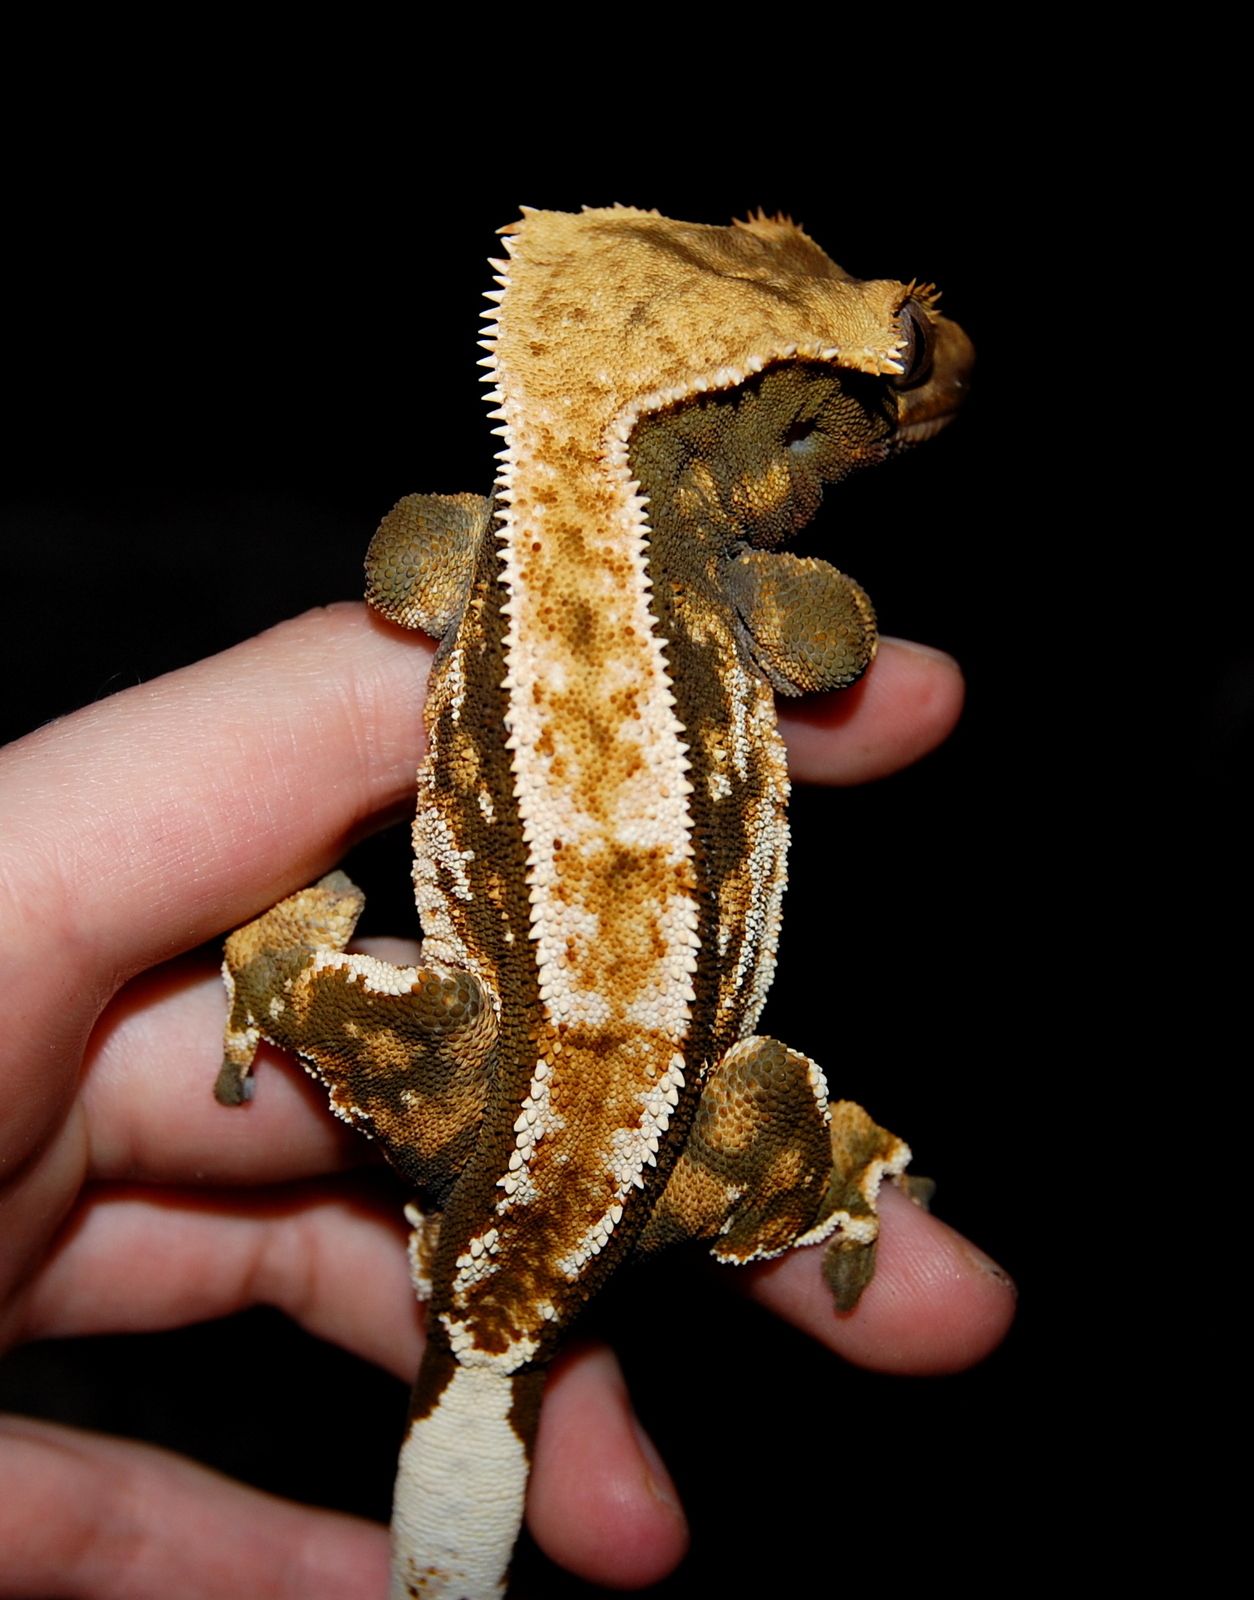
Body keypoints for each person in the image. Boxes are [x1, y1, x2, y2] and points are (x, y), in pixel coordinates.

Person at [0, 603, 1014, 1598]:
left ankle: (286, 985)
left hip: (553, 1123)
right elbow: (831, 638)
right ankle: (833, 1174)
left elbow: (406, 564)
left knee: (635, 1093)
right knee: (742, 1102)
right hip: (584, 1131)